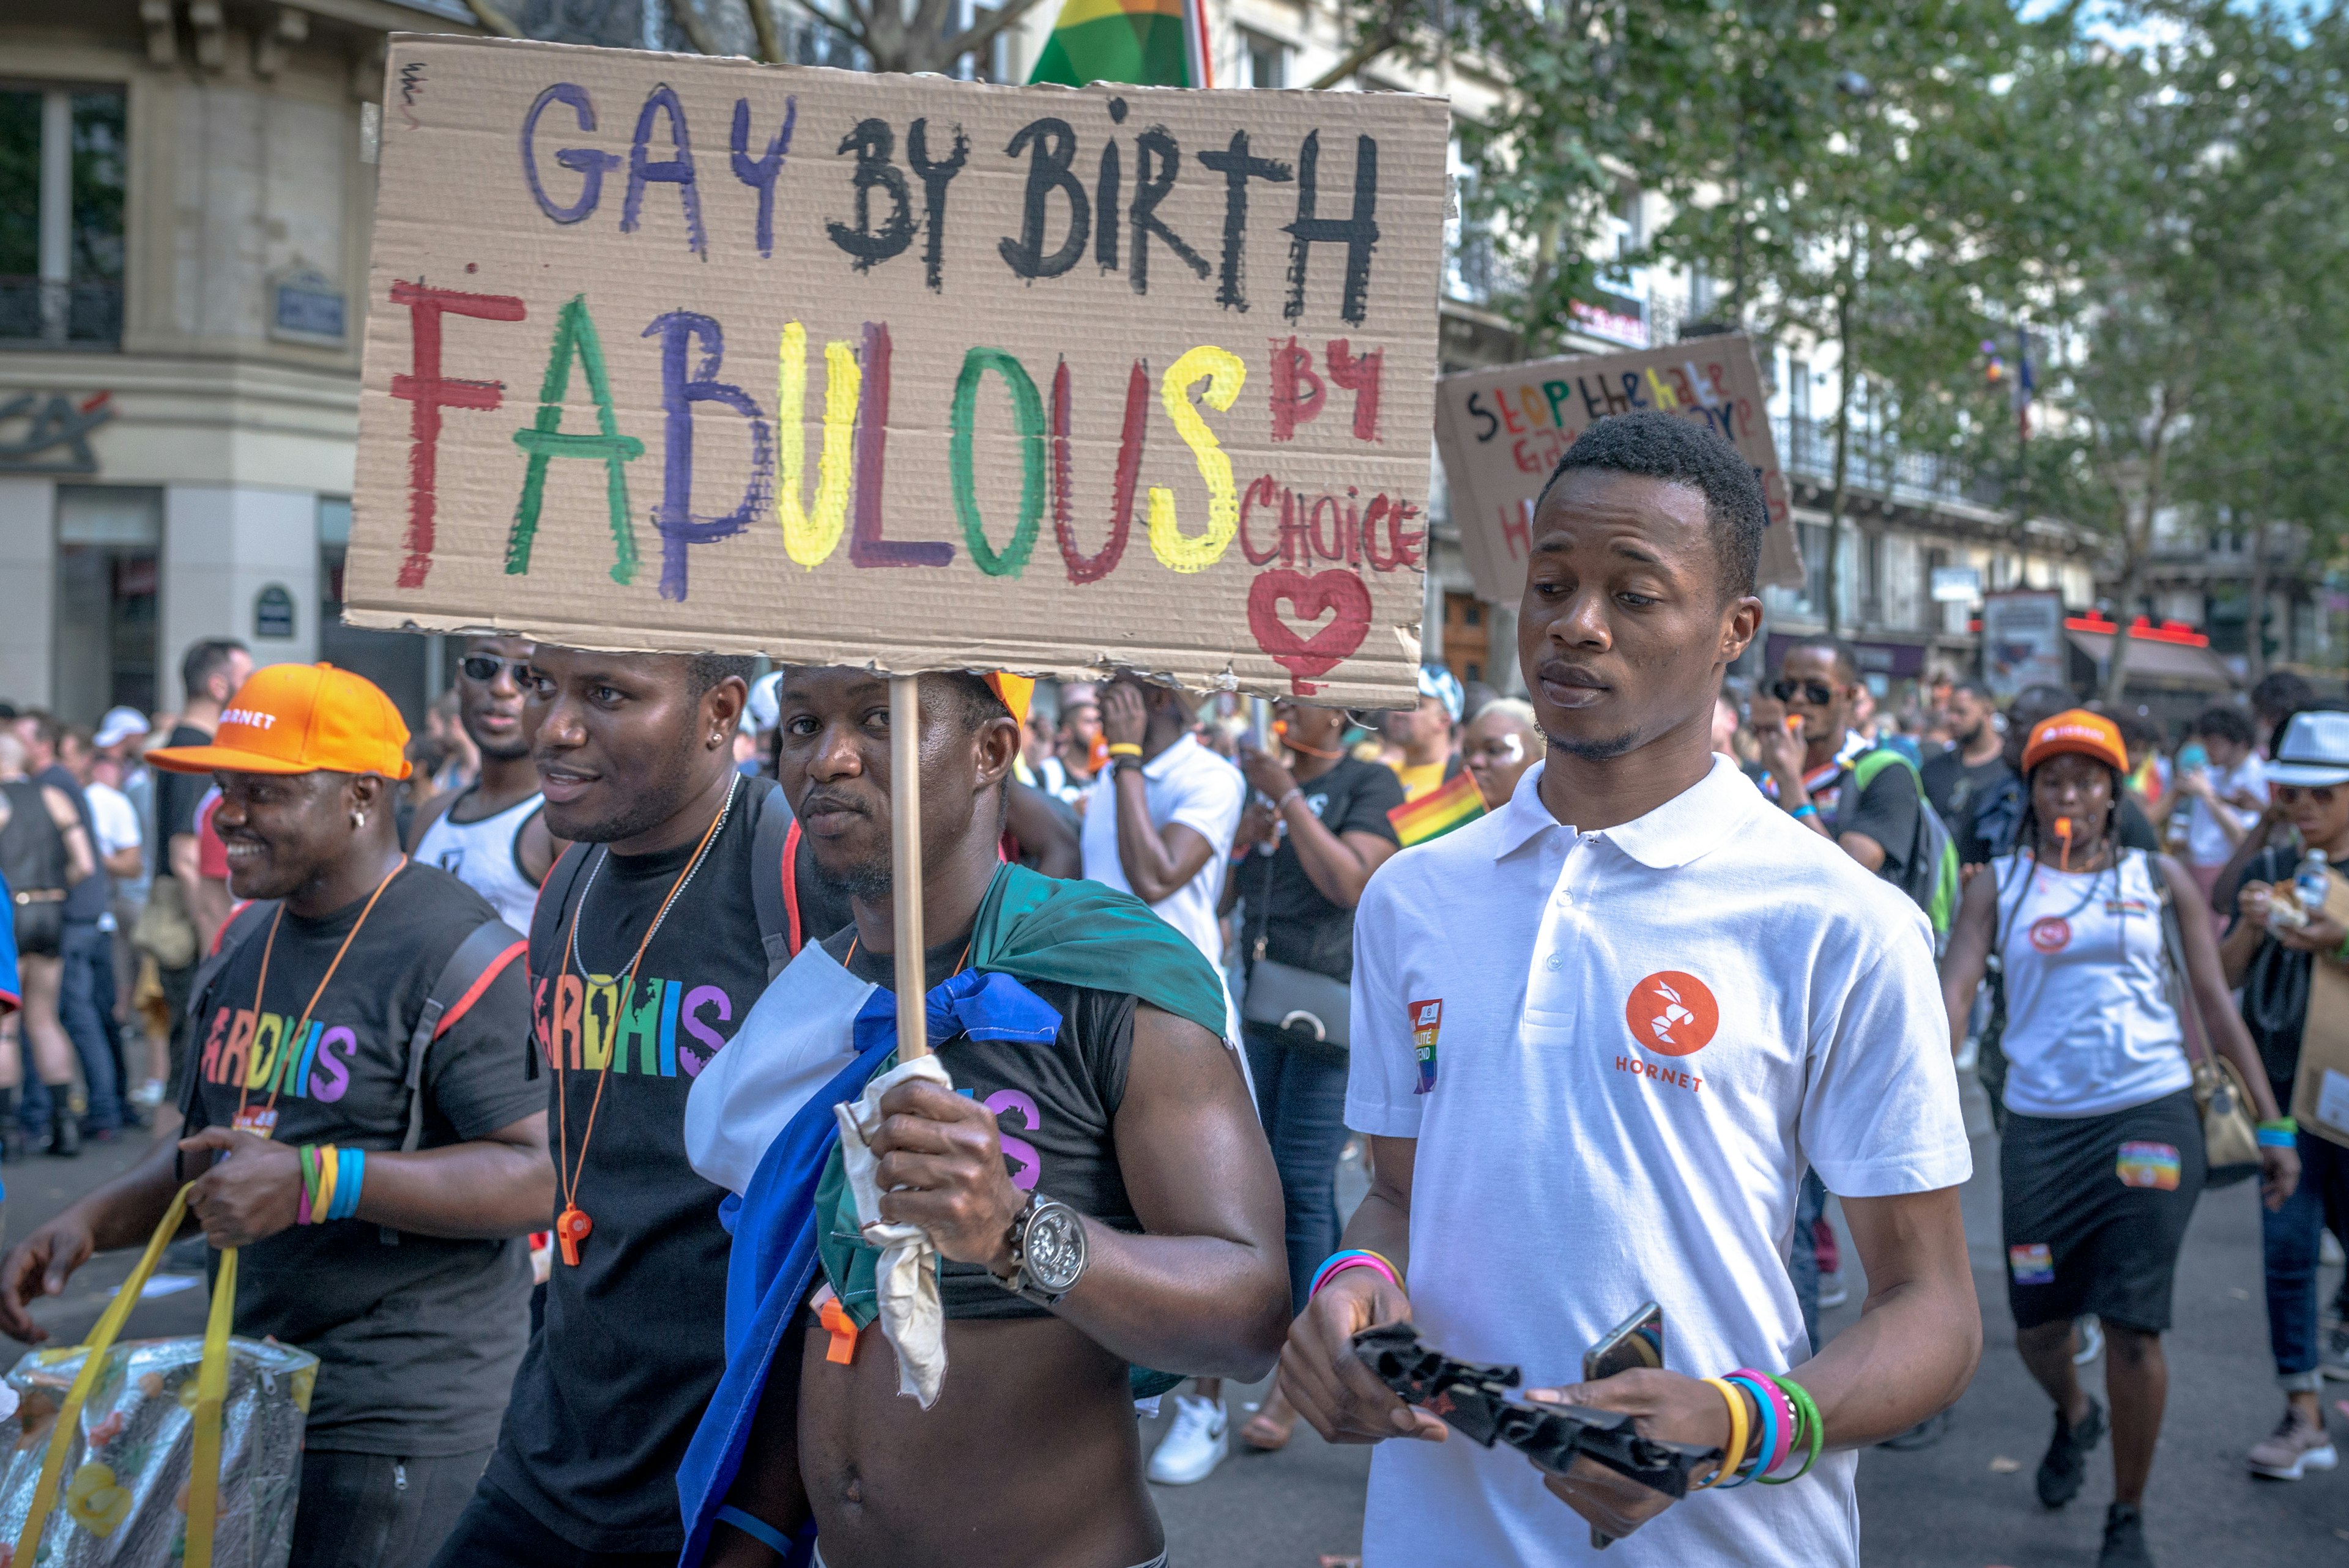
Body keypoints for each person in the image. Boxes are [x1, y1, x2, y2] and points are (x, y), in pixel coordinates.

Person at [1281, 410, 1980, 1566]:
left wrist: (1740, 1422)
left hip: (1725, 1540)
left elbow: (1932, 1310)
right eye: (1550, 583)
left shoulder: (1840, 920)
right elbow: (1402, 1199)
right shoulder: (1414, 897)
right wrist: (1350, 1293)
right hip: (1440, 1528)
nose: (1577, 624)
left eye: (1636, 594)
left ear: (1733, 630)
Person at [670, 664, 1286, 1568]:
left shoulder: (1112, 979)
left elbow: (1250, 1312)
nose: (828, 760)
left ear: (992, 751)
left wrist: (1013, 1232)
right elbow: (802, 1312)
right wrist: (749, 1540)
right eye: (801, 726)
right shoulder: (811, 1000)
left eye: (878, 718)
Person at [0, 661, 550, 1568]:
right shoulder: (244, 939)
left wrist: (315, 1181)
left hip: (397, 1413)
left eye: (265, 792)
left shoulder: (464, 956)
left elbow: (541, 1174)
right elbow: (208, 1151)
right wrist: (86, 1224)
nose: (227, 816)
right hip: (246, 1385)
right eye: (224, 789)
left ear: (363, 797)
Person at [431, 648, 773, 1568]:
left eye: (608, 695)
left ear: (719, 712)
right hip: (555, 1444)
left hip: (727, 1477)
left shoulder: (793, 867)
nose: (554, 727)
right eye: (545, 686)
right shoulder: (571, 876)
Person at [1939, 708, 2297, 1566]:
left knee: (2136, 1325)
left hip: (2151, 1114)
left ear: (2113, 793)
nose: (2071, 793)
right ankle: (2074, 1412)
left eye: (2088, 780)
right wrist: (1898, 1092)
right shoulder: (2000, 886)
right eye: (2052, 779)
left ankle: (2126, 1515)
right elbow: (1949, 1000)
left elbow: (2214, 1002)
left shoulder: (2157, 876)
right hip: (2041, 1129)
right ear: (2030, 793)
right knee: (2037, 1323)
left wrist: (2273, 1120)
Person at [1220, 698, 1404, 1453]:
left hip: (1328, 1008)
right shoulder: (1263, 784)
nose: (1289, 706)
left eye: (1305, 698)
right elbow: (1226, 898)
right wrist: (1245, 837)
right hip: (1262, 1003)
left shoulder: (1371, 783)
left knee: (1302, 1184)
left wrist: (1290, 799)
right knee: (1258, 1180)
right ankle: (1273, 1344)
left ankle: (1306, 1375)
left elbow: (1352, 883)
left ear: (1341, 717)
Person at [1083, 671, 1248, 1484]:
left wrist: (1122, 760)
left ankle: (1205, 1408)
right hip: (1100, 1024)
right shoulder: (1109, 779)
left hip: (1182, 1023)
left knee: (1199, 1223)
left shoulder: (1208, 777)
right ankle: (1125, 1399)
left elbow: (1155, 876)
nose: (1101, 699)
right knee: (1118, 1207)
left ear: (1156, 703)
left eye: (1119, 691)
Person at [2214, 708, 2349, 1477]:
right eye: (2292, 792)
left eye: (2321, 794)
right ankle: (2302, 1413)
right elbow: (2223, 978)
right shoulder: (2271, 867)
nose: (2303, 807)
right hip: (2282, 1107)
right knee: (2289, 1256)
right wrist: (2259, 926)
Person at [408, 636, 568, 931]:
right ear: (459, 680)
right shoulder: (433, 814)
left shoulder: (562, 824)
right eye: (483, 667)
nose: (502, 688)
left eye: (528, 676)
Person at [151, 638, 253, 1095]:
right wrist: (218, 945)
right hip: (195, 926)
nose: (252, 689)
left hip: (192, 921)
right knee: (191, 1072)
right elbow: (187, 856)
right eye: (245, 678)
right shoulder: (196, 752)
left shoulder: (189, 745)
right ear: (218, 686)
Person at [0, 731, 98, 1159]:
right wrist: (54, 890)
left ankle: (7, 1135)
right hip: (52, 913)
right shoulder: (54, 797)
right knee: (44, 1019)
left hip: (10, 913)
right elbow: (86, 864)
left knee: (4, 1028)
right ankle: (65, 1129)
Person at [2172, 704, 2266, 904]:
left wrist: (2208, 796)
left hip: (2224, 870)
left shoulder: (2256, 776)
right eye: (2206, 744)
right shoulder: (2215, 772)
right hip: (2197, 865)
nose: (2208, 751)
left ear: (2240, 743)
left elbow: (2243, 837)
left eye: (2215, 744)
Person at [1921, 682, 2013, 837]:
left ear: (1988, 712)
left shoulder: (2011, 767)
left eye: (1961, 712)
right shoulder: (1933, 769)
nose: (1953, 719)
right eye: (1950, 712)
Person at [1383, 665, 1465, 802]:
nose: (1398, 713)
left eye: (1415, 705)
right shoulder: (1381, 774)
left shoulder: (1460, 781)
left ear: (1444, 720)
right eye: (1398, 702)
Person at [1460, 698, 1543, 808]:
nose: (1474, 762)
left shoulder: (1559, 824)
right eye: (1467, 751)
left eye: (1494, 750)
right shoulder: (1439, 823)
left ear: (1536, 763)